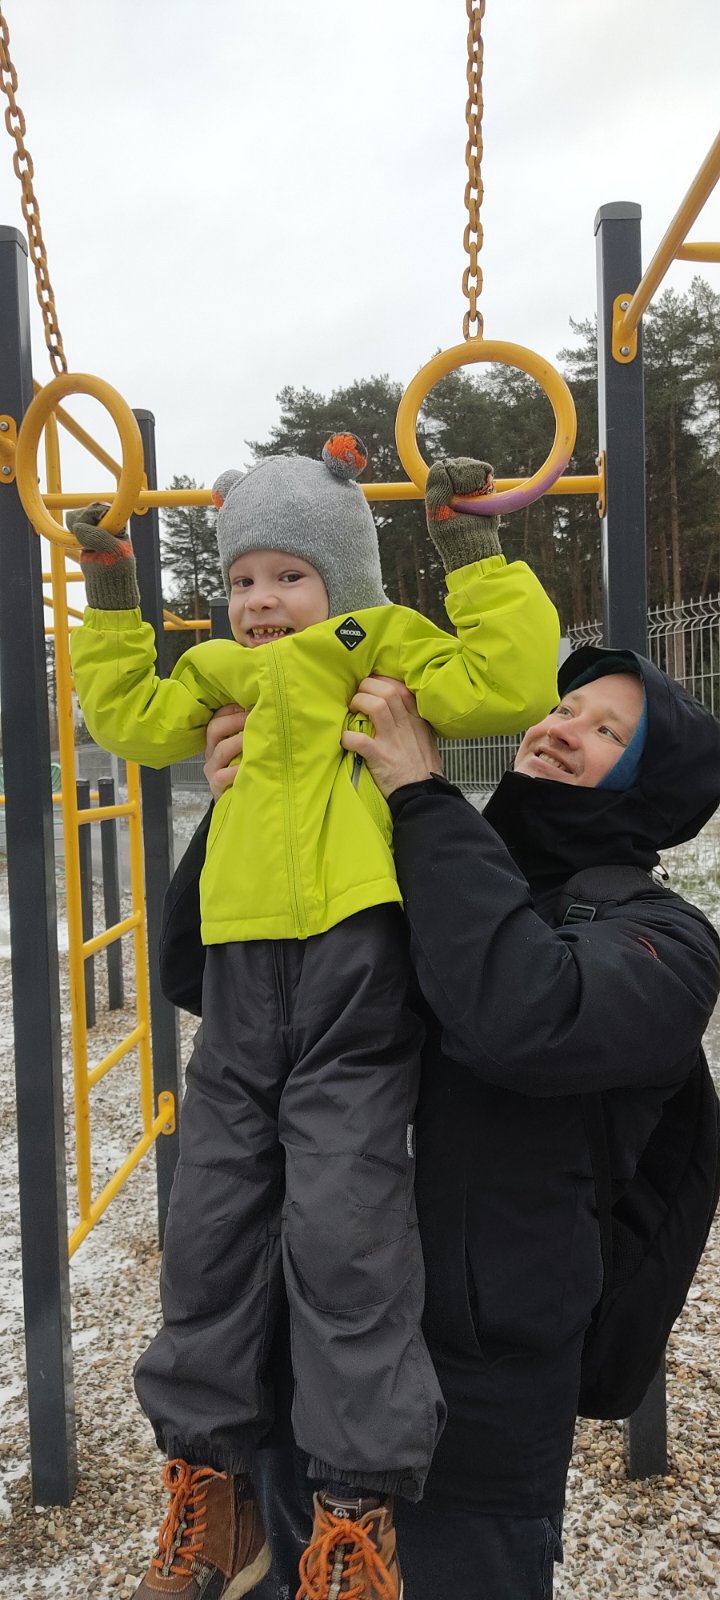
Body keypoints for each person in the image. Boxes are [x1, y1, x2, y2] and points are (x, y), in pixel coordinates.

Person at [66, 437, 560, 1600]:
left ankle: (354, 1507)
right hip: (240, 983)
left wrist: (470, 546)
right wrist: (111, 588)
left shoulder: (373, 644)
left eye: (289, 575)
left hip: (353, 968)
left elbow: (506, 679)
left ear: (342, 580)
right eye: (243, 579)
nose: (259, 602)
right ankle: (212, 1485)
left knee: (348, 1227)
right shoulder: (215, 678)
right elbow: (128, 717)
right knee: (207, 1227)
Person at [166, 644, 720, 1600]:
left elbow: (517, 1015)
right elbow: (205, 981)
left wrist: (423, 798)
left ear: (651, 787)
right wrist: (241, 815)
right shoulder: (419, 855)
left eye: (606, 732)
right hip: (304, 1372)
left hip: (475, 1422)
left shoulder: (665, 942)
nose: (559, 728)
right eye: (567, 706)